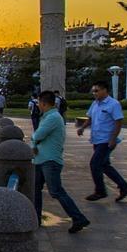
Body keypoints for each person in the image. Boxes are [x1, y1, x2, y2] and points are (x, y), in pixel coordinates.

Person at [32, 90, 90, 233]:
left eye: (39, 102)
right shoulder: (48, 116)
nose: (38, 105)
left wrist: (33, 142)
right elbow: (37, 138)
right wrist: (34, 143)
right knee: (35, 190)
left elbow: (38, 135)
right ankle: (35, 218)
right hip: (41, 159)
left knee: (56, 191)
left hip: (49, 160)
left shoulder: (52, 117)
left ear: (44, 103)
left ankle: (78, 218)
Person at [76, 81, 127, 202]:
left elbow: (118, 123)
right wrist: (82, 127)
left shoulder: (113, 104)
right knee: (104, 165)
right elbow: (90, 118)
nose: (94, 93)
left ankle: (100, 191)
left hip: (106, 141)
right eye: (93, 91)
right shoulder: (95, 104)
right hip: (96, 139)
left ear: (105, 90)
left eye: (96, 90)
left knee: (95, 164)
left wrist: (113, 139)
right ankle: (124, 187)